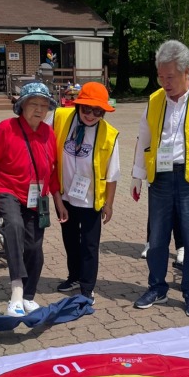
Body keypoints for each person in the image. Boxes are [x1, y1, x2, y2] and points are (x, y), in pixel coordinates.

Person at [131, 40, 189, 318]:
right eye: (160, 76)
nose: (165, 83)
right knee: (157, 239)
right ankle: (157, 288)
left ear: (186, 71)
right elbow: (144, 137)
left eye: (170, 77)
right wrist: (137, 174)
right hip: (160, 177)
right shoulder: (154, 100)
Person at [0, 82, 63, 317]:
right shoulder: (7, 128)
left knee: (35, 248)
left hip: (36, 197)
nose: (39, 109)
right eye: (34, 104)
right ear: (22, 106)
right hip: (7, 189)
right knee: (13, 226)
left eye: (44, 105)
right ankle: (16, 291)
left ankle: (28, 296)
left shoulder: (49, 133)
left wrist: (57, 199)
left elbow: (52, 170)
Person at [49, 81, 120, 302]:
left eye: (97, 111)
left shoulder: (109, 135)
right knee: (70, 240)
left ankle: (87, 287)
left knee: (90, 245)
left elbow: (113, 174)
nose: (90, 115)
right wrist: (56, 198)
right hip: (66, 196)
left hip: (91, 200)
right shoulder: (60, 117)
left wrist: (109, 204)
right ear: (78, 106)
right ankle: (74, 277)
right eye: (86, 109)